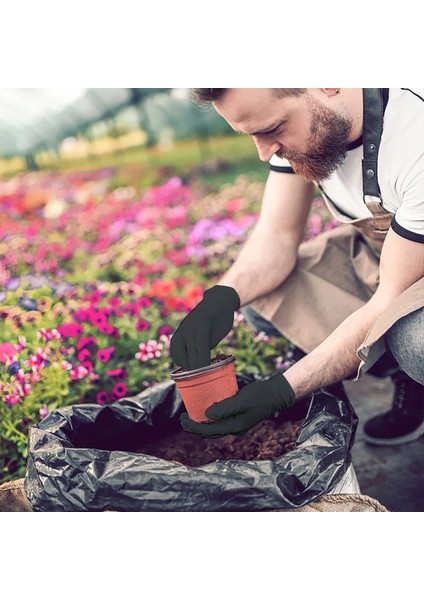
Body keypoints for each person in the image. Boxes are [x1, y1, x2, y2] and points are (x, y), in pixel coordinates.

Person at [171, 88, 424, 445]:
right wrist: (220, 300)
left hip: (404, 280)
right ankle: (407, 379)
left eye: (272, 128)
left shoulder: (414, 135)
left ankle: (414, 374)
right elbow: (276, 236)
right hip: (393, 256)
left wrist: (281, 391)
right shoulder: (315, 122)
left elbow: (389, 300)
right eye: (252, 135)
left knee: (415, 339)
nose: (263, 152)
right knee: (265, 296)